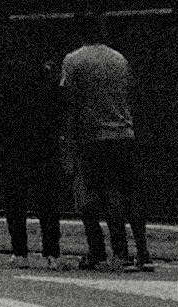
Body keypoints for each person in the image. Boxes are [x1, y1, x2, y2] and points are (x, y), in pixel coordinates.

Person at [58, 25, 150, 270]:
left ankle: (104, 251)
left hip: (93, 137)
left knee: (90, 194)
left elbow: (69, 101)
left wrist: (68, 141)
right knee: (128, 193)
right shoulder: (119, 59)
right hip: (124, 133)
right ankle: (143, 252)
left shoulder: (73, 60)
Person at [0, 48, 66, 264]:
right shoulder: (46, 89)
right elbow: (56, 117)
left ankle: (20, 252)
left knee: (16, 202)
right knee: (48, 203)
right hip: (43, 149)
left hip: (14, 150)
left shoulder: (8, 90)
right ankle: (52, 252)